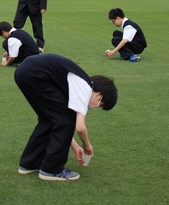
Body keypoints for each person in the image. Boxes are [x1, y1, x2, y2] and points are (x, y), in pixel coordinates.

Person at [14, 53, 117, 181]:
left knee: (49, 119)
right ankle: (51, 170)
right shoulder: (85, 88)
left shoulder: (76, 85)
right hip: (34, 73)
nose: (96, 107)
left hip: (24, 72)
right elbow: (79, 127)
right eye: (100, 104)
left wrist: (75, 147)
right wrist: (86, 145)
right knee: (66, 118)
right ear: (99, 95)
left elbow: (59, 122)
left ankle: (29, 164)